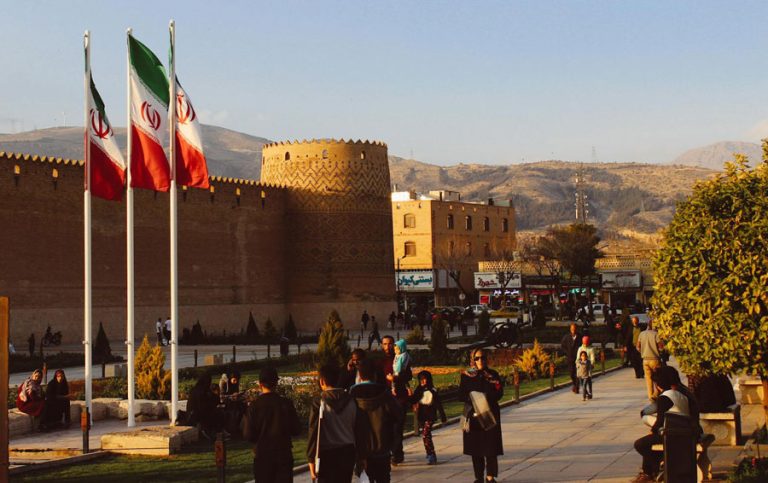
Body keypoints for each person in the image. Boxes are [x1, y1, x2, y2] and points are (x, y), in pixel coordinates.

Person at [632, 366, 701, 482]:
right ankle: (651, 470)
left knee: (640, 444)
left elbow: (659, 422)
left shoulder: (666, 397)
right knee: (650, 442)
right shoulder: (683, 391)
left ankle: (652, 469)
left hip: (676, 433)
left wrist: (653, 431)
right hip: (689, 429)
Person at [242, 366, 301, 483]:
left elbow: (248, 434)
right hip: (283, 454)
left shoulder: (254, 406)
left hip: (263, 455)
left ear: (260, 384)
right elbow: (296, 429)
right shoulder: (286, 403)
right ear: (276, 383)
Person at [350, 358, 402, 483]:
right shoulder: (385, 394)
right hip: (382, 447)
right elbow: (398, 416)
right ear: (375, 375)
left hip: (361, 449)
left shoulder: (352, 396)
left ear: (359, 376)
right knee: (383, 478)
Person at [307, 364, 359, 483]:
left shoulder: (319, 402)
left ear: (322, 381)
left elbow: (313, 431)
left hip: (327, 454)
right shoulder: (352, 401)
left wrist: (311, 459)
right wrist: (362, 456)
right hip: (348, 452)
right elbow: (359, 428)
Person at [460, 348, 504, 483]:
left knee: (491, 447)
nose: (480, 361)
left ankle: (490, 476)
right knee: (476, 448)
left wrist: (485, 397)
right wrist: (474, 397)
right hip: (474, 415)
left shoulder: (492, 375)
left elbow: (499, 392)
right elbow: (461, 394)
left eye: (483, 357)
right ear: (473, 359)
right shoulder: (467, 375)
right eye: (477, 358)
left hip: (489, 414)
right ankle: (478, 477)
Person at [382, 336, 411, 465]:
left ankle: (397, 454)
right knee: (387, 428)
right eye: (384, 344)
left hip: (400, 398)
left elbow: (408, 375)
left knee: (397, 428)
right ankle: (392, 452)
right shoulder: (381, 361)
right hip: (386, 398)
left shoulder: (402, 358)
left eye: (390, 344)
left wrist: (396, 378)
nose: (387, 347)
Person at [409, 370, 446, 465]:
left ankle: (431, 455)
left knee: (426, 434)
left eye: (424, 379)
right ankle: (430, 453)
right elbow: (413, 399)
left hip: (430, 415)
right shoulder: (419, 389)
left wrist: (443, 416)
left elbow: (438, 404)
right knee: (426, 436)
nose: (423, 381)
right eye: (421, 379)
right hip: (422, 415)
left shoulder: (432, 390)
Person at [187, 373, 222, 439]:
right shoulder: (200, 391)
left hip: (197, 413)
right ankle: (212, 432)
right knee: (216, 413)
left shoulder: (201, 389)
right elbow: (202, 407)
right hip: (195, 415)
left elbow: (213, 398)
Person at [637, 319, 663, 401]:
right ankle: (657, 394)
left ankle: (650, 396)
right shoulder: (656, 334)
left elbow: (638, 347)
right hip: (655, 359)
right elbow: (661, 347)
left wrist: (643, 351)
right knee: (658, 378)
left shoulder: (641, 334)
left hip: (645, 360)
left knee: (648, 379)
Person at [560, 323, 582, 394]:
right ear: (570, 329)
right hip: (570, 358)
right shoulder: (567, 337)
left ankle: (577, 387)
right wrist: (567, 352)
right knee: (571, 373)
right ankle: (575, 384)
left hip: (578, 358)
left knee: (578, 373)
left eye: (574, 329)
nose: (573, 330)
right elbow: (563, 346)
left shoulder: (580, 337)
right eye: (572, 329)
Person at [576, 335, 595, 400]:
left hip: (588, 367)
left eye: (586, 343)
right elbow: (578, 358)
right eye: (584, 343)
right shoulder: (580, 349)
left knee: (589, 381)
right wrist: (577, 365)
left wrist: (591, 364)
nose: (585, 344)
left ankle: (590, 393)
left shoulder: (591, 349)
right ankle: (586, 393)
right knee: (582, 384)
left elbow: (592, 358)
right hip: (581, 368)